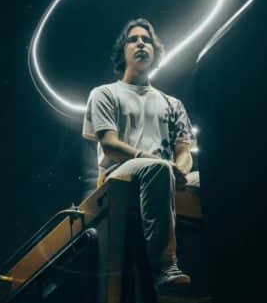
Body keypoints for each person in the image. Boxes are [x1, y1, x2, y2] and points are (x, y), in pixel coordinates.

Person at [82, 18, 197, 287]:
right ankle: (164, 265)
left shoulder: (172, 103)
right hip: (118, 174)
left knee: (210, 178)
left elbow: (185, 149)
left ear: (155, 51)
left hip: (163, 172)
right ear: (122, 52)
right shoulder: (105, 93)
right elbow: (109, 144)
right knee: (158, 168)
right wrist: (157, 162)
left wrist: (180, 168)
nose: (141, 43)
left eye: (146, 39)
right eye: (133, 39)